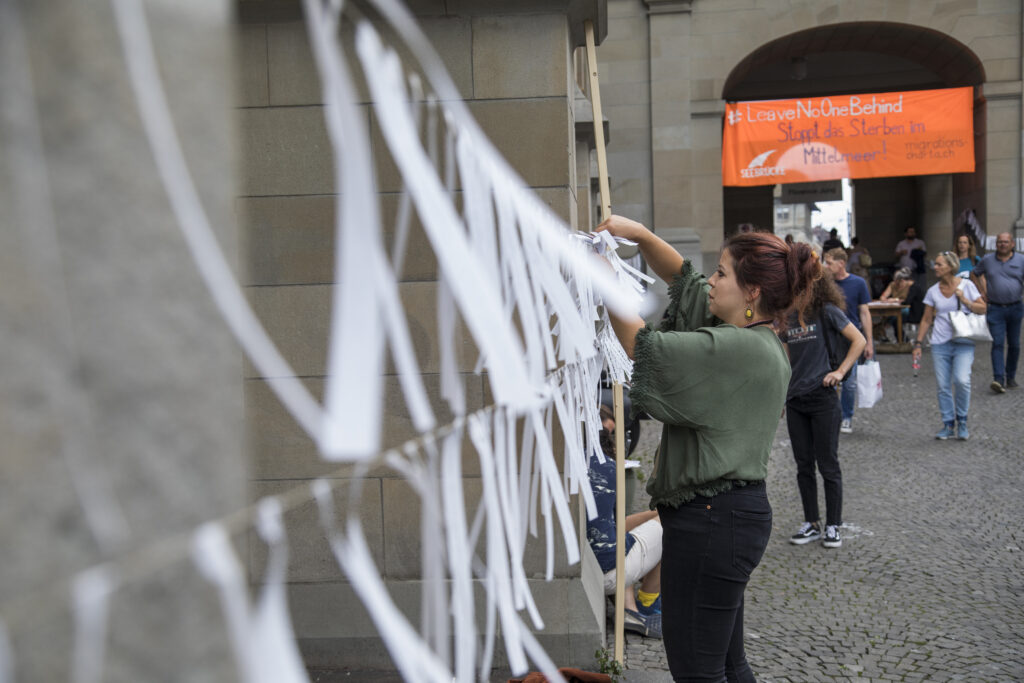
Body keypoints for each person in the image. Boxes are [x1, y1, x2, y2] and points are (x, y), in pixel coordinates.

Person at [596, 214, 818, 683]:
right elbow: (683, 277)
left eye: (722, 273)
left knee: (699, 671)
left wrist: (598, 274)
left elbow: (644, 347)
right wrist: (635, 234)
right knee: (726, 665)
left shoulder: (739, 348)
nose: (712, 281)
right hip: (725, 519)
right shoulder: (752, 336)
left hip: (716, 521)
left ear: (752, 292)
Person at [780, 274, 866, 549]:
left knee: (828, 465)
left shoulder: (827, 312)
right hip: (795, 400)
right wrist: (781, 396)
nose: (795, 294)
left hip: (823, 398)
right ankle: (811, 523)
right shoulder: (787, 318)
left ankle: (833, 525)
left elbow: (859, 340)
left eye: (799, 289)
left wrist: (840, 372)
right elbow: (784, 360)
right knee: (803, 466)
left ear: (812, 288)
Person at [586, 404, 663, 638]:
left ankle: (630, 608)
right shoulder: (607, 467)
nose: (611, 439)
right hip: (607, 571)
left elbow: (612, 525)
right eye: (608, 434)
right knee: (675, 524)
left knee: (630, 530)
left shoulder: (567, 464)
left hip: (586, 568)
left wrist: (655, 515)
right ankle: (647, 604)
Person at [912, 251, 986, 439]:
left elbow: (983, 307)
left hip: (963, 341)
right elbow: (927, 319)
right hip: (940, 343)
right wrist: (918, 343)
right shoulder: (933, 291)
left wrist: (965, 300)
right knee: (943, 386)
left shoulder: (967, 286)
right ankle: (948, 424)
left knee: (962, 380)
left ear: (950, 267)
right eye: (935, 264)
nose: (935, 267)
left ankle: (962, 420)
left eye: (939, 264)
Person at [823, 248, 874, 434]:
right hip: (829, 338)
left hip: (852, 339)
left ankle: (846, 415)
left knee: (849, 382)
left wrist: (869, 341)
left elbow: (864, 312)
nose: (826, 267)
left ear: (841, 263)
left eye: (829, 263)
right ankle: (832, 415)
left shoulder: (858, 283)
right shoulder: (824, 284)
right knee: (829, 378)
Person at [971, 232, 1024, 392]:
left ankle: (1011, 376)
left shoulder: (1021, 260)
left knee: (1014, 344)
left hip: (1015, 307)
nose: (1003, 244)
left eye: (1006, 242)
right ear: (996, 244)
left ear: (1012, 244)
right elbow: (974, 274)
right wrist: (981, 291)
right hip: (995, 308)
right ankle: (998, 379)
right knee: (998, 343)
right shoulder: (987, 260)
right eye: (1000, 242)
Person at [878, 267, 925, 341]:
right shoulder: (914, 286)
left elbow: (907, 302)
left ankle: (900, 338)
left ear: (903, 281)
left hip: (915, 314)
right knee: (894, 317)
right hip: (913, 311)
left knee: (895, 318)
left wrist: (895, 300)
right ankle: (901, 338)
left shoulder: (913, 287)